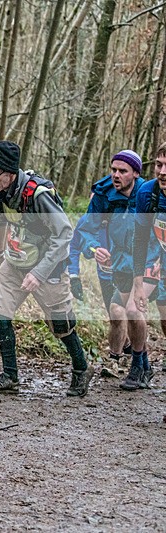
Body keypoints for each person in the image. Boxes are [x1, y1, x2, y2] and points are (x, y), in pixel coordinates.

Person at [0, 140, 93, 396]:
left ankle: (81, 368)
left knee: (60, 325)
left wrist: (39, 272)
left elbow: (65, 233)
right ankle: (9, 376)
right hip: (17, 260)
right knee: (1, 313)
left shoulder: (39, 196)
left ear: (10, 174)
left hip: (49, 267)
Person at [77, 150, 159, 386]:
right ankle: (142, 366)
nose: (116, 175)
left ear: (135, 173)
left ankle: (137, 368)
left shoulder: (149, 195)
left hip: (150, 261)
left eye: (122, 171)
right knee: (115, 310)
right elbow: (85, 229)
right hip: (122, 264)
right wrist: (94, 249)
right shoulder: (105, 195)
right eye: (113, 170)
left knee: (133, 311)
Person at [131, 142, 166, 388]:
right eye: (159, 164)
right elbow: (140, 240)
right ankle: (140, 366)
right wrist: (138, 283)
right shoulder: (147, 192)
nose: (162, 172)